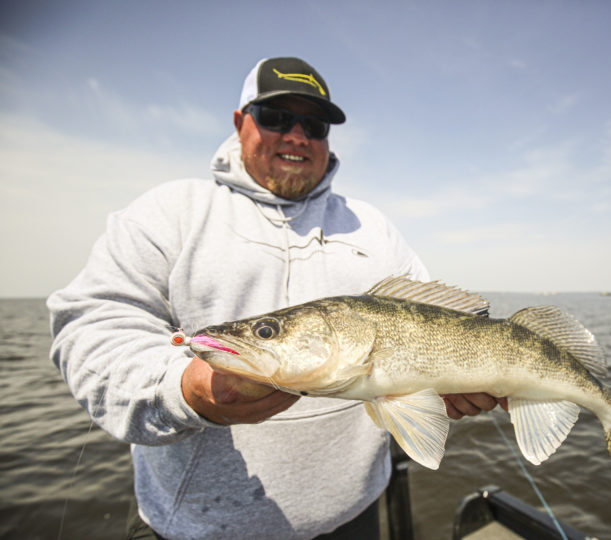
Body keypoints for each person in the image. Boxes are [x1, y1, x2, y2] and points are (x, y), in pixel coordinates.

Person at [48, 57, 503, 540]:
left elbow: (440, 328)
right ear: (240, 121)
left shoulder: (375, 227)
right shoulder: (169, 213)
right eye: (276, 118)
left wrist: (448, 388)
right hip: (199, 530)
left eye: (315, 124)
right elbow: (92, 330)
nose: (297, 135)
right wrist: (186, 390)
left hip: (355, 516)